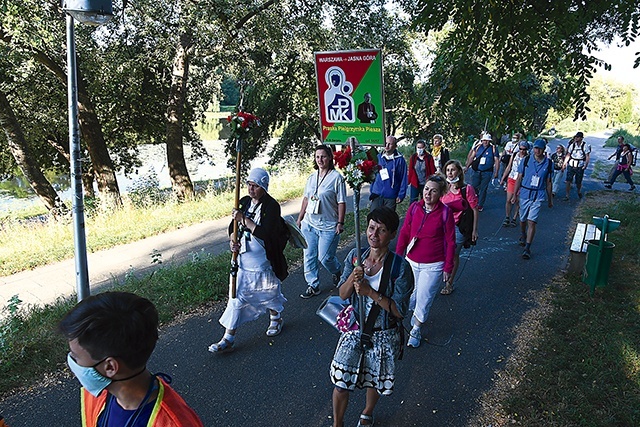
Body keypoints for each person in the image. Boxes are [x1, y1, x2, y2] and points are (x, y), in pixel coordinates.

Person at [58, 291, 204, 427]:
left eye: (75, 357)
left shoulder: (172, 422)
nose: (72, 362)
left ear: (110, 367)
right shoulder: (100, 395)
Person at [330, 207, 414, 427]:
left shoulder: (400, 267)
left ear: (392, 234)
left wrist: (370, 292)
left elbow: (399, 311)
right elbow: (342, 294)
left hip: (384, 332)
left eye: (382, 230)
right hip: (356, 327)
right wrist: (351, 279)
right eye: (371, 228)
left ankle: (367, 412)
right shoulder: (355, 256)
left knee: (373, 379)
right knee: (341, 381)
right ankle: (337, 424)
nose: (374, 235)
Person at [209, 168, 288, 352]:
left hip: (263, 261)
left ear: (264, 187)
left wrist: (243, 219)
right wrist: (232, 241)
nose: (251, 189)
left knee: (269, 293)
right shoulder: (243, 202)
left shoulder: (272, 206)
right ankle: (228, 337)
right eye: (249, 185)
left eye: (256, 186)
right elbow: (232, 227)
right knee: (236, 297)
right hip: (243, 261)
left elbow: (266, 233)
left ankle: (276, 318)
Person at [396, 175, 455, 348]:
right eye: (427, 189)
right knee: (409, 295)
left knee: (424, 296)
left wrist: (448, 266)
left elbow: (451, 241)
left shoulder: (445, 213)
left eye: (434, 191)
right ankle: (409, 318)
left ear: (440, 194)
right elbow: (405, 232)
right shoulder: (414, 207)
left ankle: (416, 328)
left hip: (433, 264)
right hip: (411, 260)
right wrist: (398, 258)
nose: (428, 193)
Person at [297, 145, 347, 299]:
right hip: (310, 224)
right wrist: (300, 218)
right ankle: (313, 284)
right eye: (317, 157)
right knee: (309, 255)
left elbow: (341, 202)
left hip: (329, 226)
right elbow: (306, 199)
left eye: (323, 156)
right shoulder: (312, 178)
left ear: (330, 158)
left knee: (325, 258)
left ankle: (337, 270)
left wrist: (340, 222)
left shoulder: (336, 178)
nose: (320, 160)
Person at [440, 160, 479, 295]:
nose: (450, 173)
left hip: (458, 226)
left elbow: (474, 210)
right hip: (442, 226)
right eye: (448, 170)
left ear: (459, 172)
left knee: (453, 254)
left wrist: (474, 230)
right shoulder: (442, 188)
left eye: (453, 170)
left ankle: (449, 282)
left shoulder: (466, 189)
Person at [511, 139, 553, 259]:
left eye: (539, 148)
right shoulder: (526, 160)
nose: (537, 150)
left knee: (532, 221)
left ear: (544, 149)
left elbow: (548, 182)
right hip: (525, 193)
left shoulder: (549, 163)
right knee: (523, 219)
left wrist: (550, 199)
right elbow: (519, 178)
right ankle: (523, 234)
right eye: (535, 148)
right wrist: (514, 195)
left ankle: (527, 248)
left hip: (538, 195)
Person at [370, 135, 408, 211]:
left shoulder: (400, 160)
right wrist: (372, 190)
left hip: (391, 196)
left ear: (395, 146)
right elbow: (372, 175)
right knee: (373, 218)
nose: (387, 146)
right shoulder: (378, 157)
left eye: (390, 144)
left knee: (387, 220)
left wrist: (401, 195)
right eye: (385, 143)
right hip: (377, 194)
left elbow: (403, 178)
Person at [466, 133, 500, 211]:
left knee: (483, 188)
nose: (485, 142)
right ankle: (474, 201)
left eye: (487, 140)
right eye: (484, 140)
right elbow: (472, 157)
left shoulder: (493, 148)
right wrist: (467, 167)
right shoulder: (478, 147)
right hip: (476, 171)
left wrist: (496, 172)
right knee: (474, 187)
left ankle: (480, 205)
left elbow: (497, 160)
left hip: (487, 172)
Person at [500, 140, 530, 227]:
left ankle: (514, 217)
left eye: (524, 149)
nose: (522, 151)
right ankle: (507, 216)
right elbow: (509, 167)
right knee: (508, 199)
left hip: (522, 181)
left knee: (517, 201)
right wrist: (503, 178)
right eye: (520, 149)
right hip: (512, 178)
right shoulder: (514, 155)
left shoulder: (528, 158)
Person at [563, 131, 591, 201]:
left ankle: (578, 191)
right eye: (575, 137)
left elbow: (587, 156)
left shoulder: (585, 145)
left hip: (580, 165)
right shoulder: (572, 145)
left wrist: (585, 165)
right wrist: (564, 164)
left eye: (578, 137)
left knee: (578, 181)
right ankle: (567, 195)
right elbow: (568, 155)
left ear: (581, 138)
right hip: (571, 164)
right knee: (568, 180)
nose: (576, 138)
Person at [407, 139, 436, 204]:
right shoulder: (413, 157)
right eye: (418, 147)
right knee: (413, 201)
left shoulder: (429, 157)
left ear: (424, 148)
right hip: (415, 183)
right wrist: (408, 182)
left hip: (425, 183)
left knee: (425, 201)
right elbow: (411, 170)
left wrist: (432, 182)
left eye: (421, 147)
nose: (420, 149)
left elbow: (432, 171)